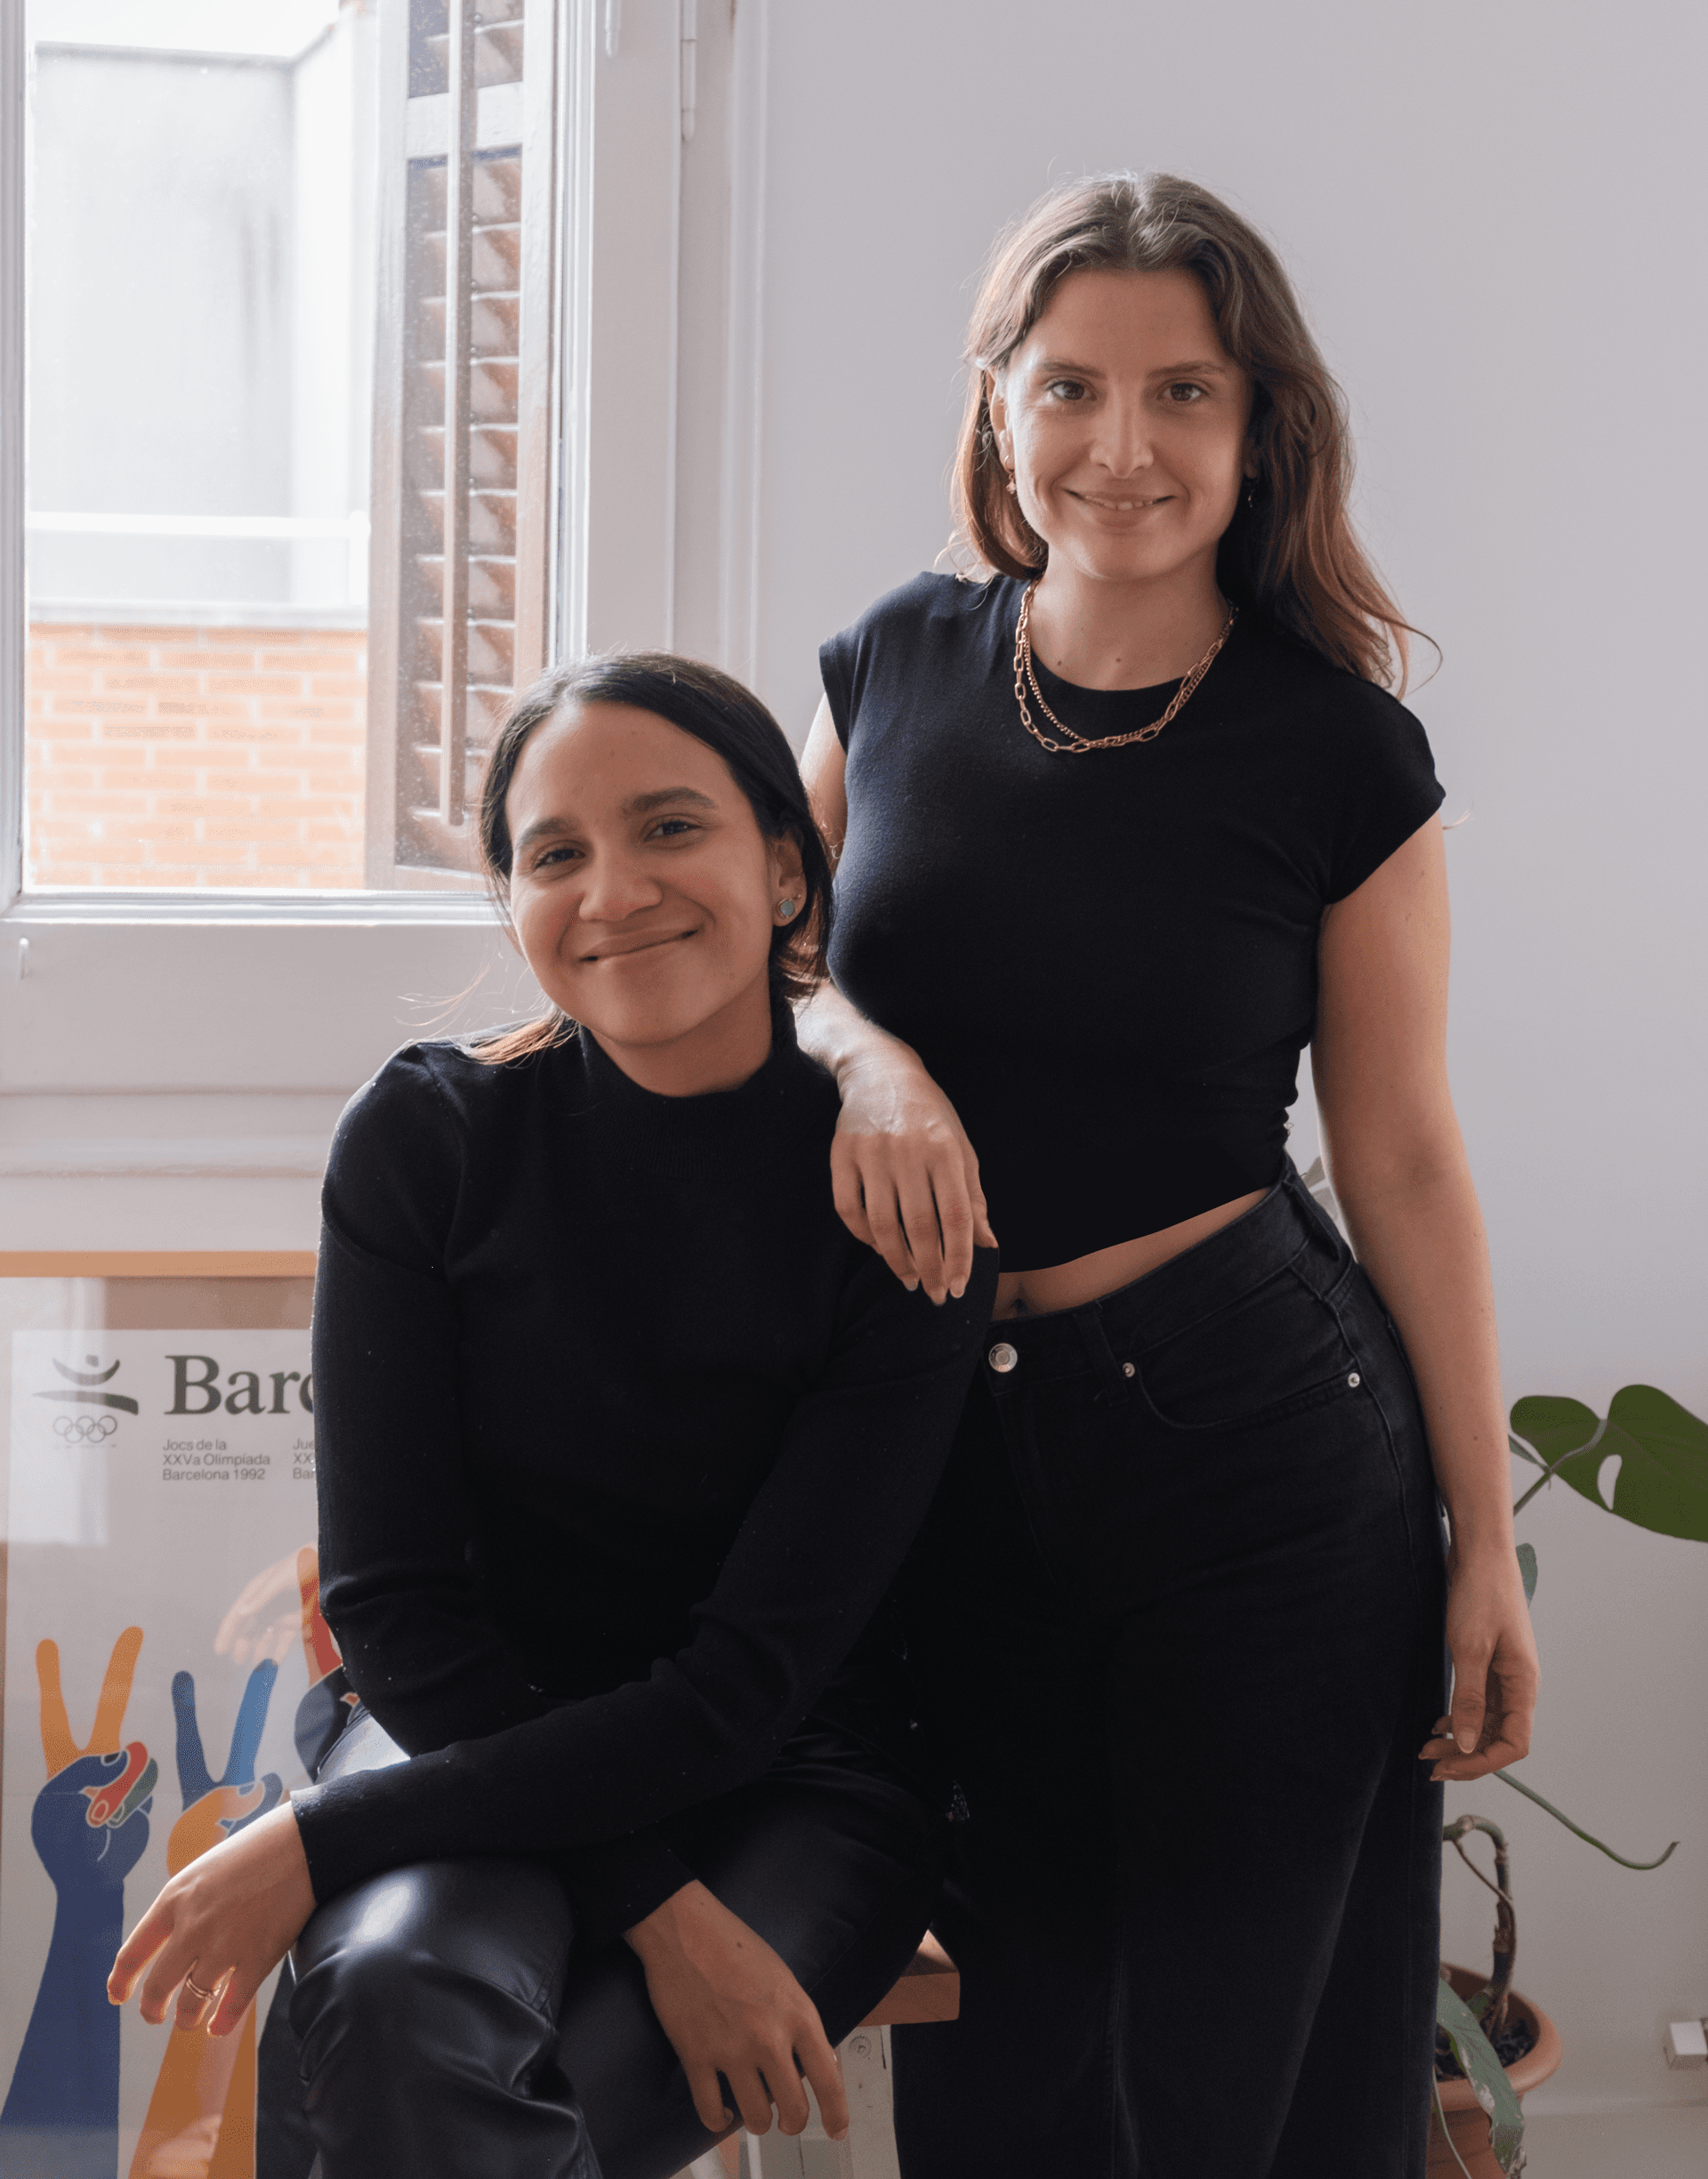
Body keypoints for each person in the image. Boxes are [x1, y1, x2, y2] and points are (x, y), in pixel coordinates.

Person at [794, 172, 1540, 2178]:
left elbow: (1398, 1153)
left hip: (1254, 1456)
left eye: (1182, 396)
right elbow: (785, 966)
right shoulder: (892, 667)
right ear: (997, 406)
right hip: (955, 1450)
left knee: (1228, 2087)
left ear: (1256, 427)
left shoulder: (1335, 752)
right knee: (1005, 2065)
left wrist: (1482, 1535)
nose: (1119, 448)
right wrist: (870, 1058)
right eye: (1070, 390)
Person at [109, 654, 997, 2179]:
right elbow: (396, 1604)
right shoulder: (428, 1139)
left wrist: (315, 1840)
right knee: (396, 2003)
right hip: (469, 1714)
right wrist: (660, 1911)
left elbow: (743, 1688)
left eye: (670, 829)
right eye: (556, 854)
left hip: (800, 1764)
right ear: (512, 902)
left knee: (511, 2104)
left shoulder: (896, 1198)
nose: (614, 892)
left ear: (786, 867)